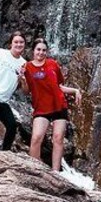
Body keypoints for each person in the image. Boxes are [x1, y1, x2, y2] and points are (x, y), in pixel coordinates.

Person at [20, 38, 82, 171]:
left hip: (59, 105)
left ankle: (55, 172)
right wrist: (23, 81)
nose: (41, 52)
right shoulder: (27, 67)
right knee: (36, 138)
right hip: (41, 108)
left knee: (58, 138)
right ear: (33, 51)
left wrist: (75, 91)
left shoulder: (53, 64)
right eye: (38, 49)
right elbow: (26, 92)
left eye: (44, 50)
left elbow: (59, 87)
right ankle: (35, 169)